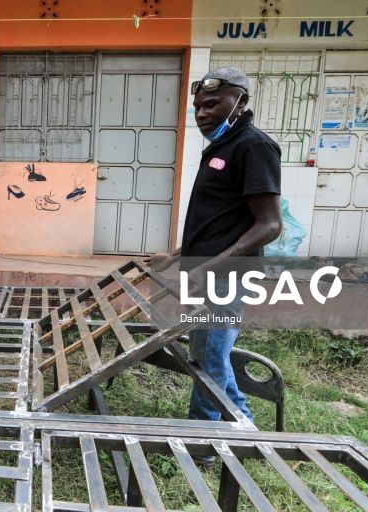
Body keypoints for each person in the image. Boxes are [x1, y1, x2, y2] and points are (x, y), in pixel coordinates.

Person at [147, 67, 282, 454]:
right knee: (209, 353)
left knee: (208, 358)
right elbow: (218, 219)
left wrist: (209, 267)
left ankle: (203, 442)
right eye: (197, 107)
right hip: (205, 275)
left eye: (211, 104)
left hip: (226, 278)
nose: (201, 114)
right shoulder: (221, 148)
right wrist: (174, 255)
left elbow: (269, 225)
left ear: (240, 101)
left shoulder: (253, 147)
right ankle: (245, 428)